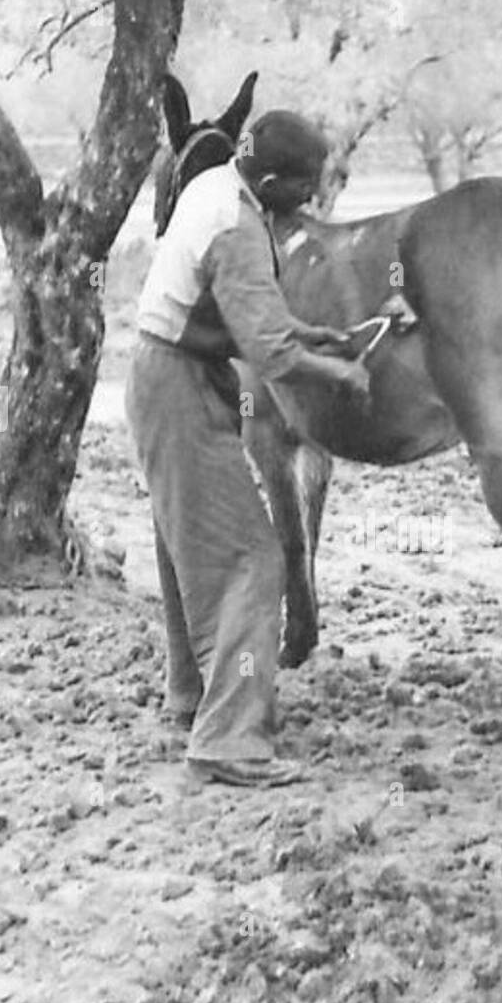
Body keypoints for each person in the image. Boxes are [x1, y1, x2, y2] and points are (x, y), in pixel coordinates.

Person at [128, 110, 369, 789]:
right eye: (304, 187)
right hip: (179, 387)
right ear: (269, 179)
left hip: (170, 372)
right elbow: (267, 351)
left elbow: (259, 319)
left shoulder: (215, 186)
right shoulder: (238, 228)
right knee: (253, 560)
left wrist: (317, 336)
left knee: (184, 547)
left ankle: (189, 696)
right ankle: (229, 744)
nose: (312, 202)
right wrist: (340, 373)